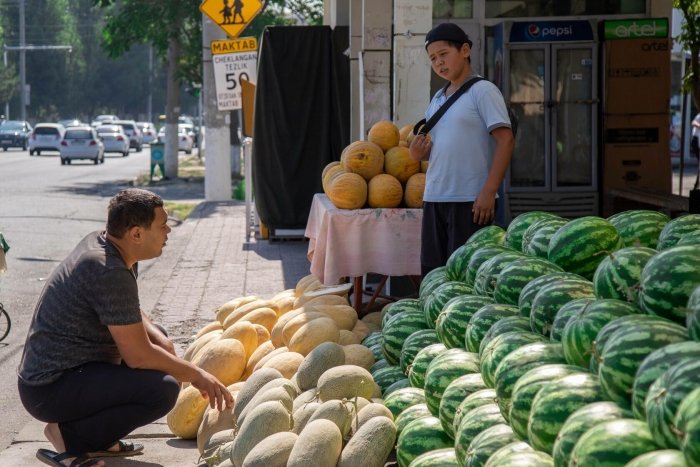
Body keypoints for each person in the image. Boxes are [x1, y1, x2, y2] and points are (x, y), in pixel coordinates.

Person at [17, 188, 233, 467]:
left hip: (73, 372)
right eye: (162, 225)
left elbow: (125, 308)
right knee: (163, 389)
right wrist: (198, 374)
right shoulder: (107, 269)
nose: (168, 231)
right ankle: (70, 437)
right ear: (136, 234)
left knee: (161, 343)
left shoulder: (110, 248)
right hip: (49, 388)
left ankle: (98, 439)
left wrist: (163, 344)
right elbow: (138, 356)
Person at [409, 23, 514, 278]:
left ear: (465, 50)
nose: (439, 63)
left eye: (444, 54)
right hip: (435, 198)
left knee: (466, 278)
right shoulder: (437, 98)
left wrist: (489, 191)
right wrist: (417, 152)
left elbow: (506, 140)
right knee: (434, 275)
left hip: (471, 202)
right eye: (433, 58)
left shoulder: (483, 91)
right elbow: (436, 149)